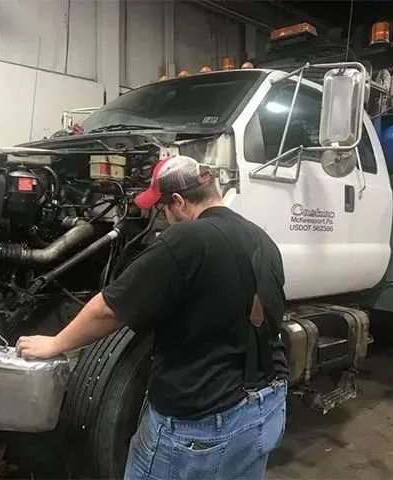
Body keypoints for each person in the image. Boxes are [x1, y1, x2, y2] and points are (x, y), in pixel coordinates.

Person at [16, 155, 290, 479]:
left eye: (162, 209)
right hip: (266, 408)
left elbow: (108, 309)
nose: (162, 218)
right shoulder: (264, 240)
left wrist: (55, 343)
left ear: (178, 201)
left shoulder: (187, 239)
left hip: (200, 429)